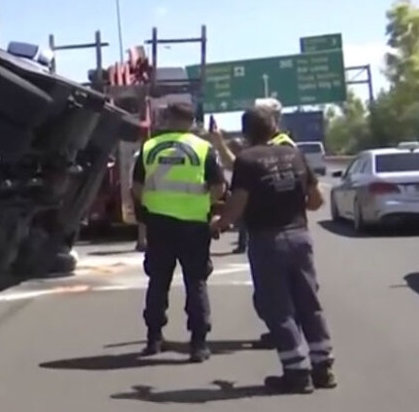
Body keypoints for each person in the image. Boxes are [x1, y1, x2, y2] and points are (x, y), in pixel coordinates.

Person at [212, 106, 336, 393]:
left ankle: (296, 372)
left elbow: (237, 205)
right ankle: (323, 367)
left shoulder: (247, 160)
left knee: (278, 307)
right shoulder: (295, 154)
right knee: (309, 301)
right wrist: (288, 201)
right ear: (274, 128)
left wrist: (218, 224)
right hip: (300, 237)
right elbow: (316, 201)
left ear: (245, 132)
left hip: (268, 241)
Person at [131, 101, 226, 362]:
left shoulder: (148, 148)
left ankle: (153, 339)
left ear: (169, 119)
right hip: (195, 225)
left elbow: (137, 189)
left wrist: (154, 206)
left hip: (159, 224)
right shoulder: (203, 148)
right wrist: (203, 204)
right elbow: (219, 188)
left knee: (158, 281)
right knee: (196, 282)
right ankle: (198, 344)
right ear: (193, 121)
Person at [205, 97, 292, 348]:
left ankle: (288, 340)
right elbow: (242, 167)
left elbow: (242, 168)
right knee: (274, 290)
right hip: (276, 227)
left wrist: (220, 223)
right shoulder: (273, 146)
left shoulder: (281, 146)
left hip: (274, 227)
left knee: (272, 291)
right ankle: (286, 334)